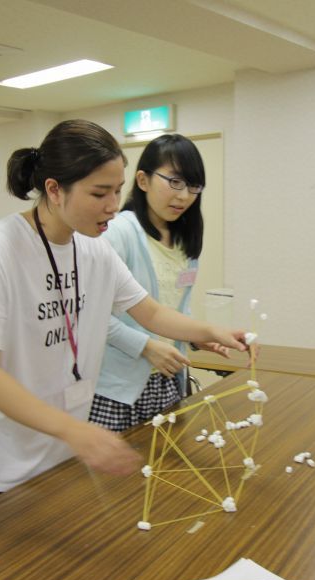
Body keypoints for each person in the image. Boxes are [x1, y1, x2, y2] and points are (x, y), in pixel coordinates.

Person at [0, 120, 248, 517]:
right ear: (55, 190)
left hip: (50, 437)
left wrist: (212, 331)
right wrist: (75, 430)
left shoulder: (92, 249)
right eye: (99, 192)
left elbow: (151, 312)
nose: (113, 204)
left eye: (116, 189)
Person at [90, 134, 226, 432]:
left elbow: (173, 305)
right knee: (114, 477)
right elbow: (88, 314)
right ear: (142, 180)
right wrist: (145, 347)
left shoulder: (183, 242)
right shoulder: (118, 233)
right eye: (174, 182)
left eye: (193, 186)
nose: (184, 196)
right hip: (115, 387)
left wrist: (195, 336)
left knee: (163, 471)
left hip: (165, 378)